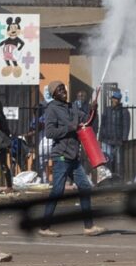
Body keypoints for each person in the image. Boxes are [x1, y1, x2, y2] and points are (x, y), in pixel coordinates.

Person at [37, 81, 105, 238]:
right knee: (57, 191)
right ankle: (44, 227)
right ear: (54, 94)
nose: (63, 91)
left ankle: (89, 227)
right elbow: (49, 132)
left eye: (63, 88)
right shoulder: (52, 109)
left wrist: (93, 110)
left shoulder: (72, 107)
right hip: (61, 156)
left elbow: (87, 121)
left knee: (85, 187)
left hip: (73, 157)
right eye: (59, 89)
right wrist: (69, 128)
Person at [99, 90, 131, 172]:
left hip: (118, 141)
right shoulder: (107, 110)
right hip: (107, 140)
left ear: (119, 100)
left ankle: (118, 178)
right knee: (107, 160)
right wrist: (100, 139)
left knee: (118, 162)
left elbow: (126, 126)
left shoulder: (124, 111)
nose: (114, 100)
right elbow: (102, 125)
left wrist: (124, 139)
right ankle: (107, 178)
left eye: (116, 99)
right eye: (113, 98)